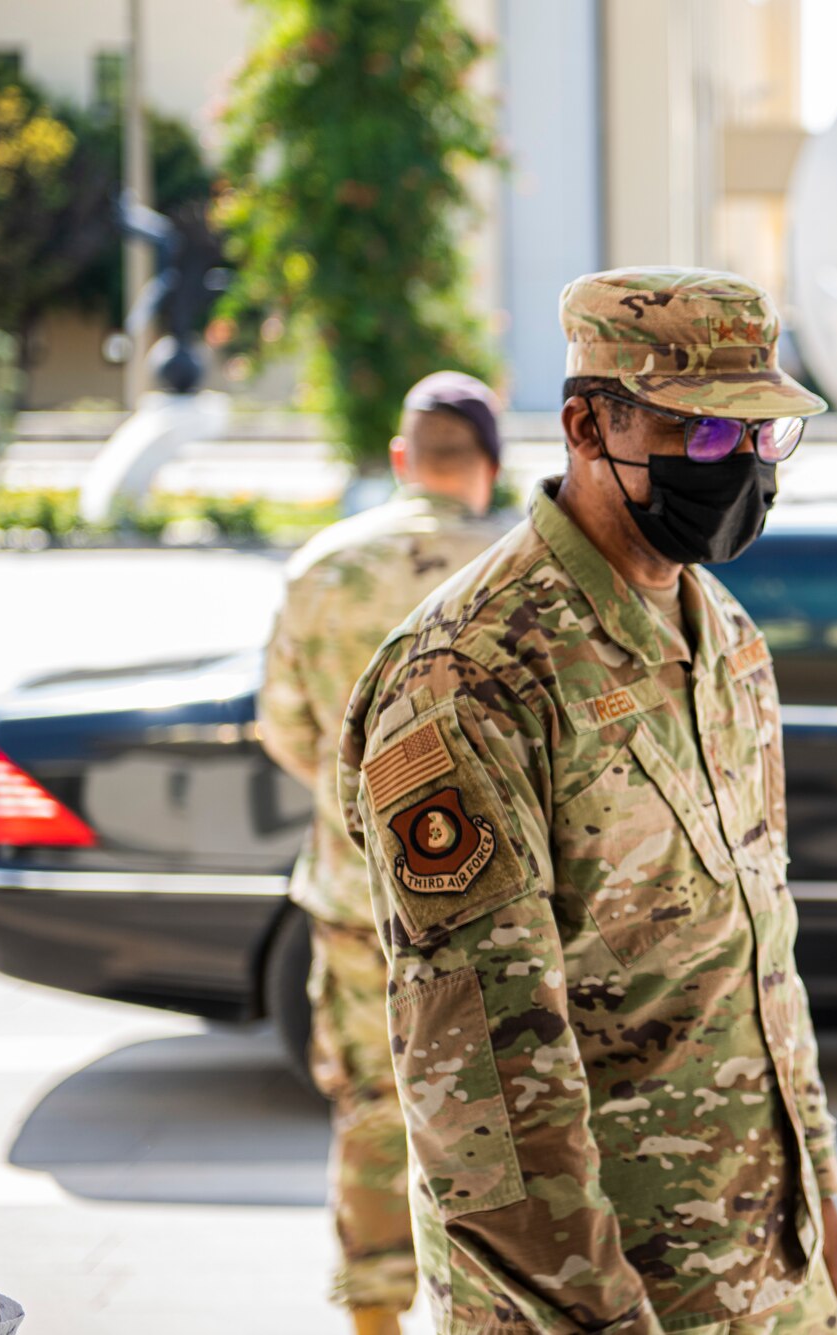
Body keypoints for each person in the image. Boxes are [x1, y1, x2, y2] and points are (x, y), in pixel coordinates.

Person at [338, 268, 837, 1335]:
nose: (743, 472)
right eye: (707, 441)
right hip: (603, 1302)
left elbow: (762, 965)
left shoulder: (722, 639)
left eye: (762, 441)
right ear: (587, 426)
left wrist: (823, 1216)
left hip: (764, 1275)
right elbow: (483, 1090)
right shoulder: (470, 676)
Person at [258, 370, 512, 1335]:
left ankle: (376, 1320)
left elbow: (285, 729)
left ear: (403, 459)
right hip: (495, 914)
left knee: (373, 1109)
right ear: (485, 467)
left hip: (358, 900)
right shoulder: (518, 572)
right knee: (497, 1126)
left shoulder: (321, 568)